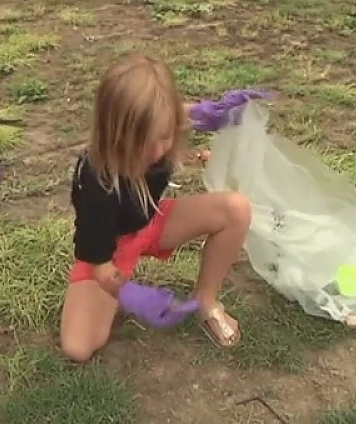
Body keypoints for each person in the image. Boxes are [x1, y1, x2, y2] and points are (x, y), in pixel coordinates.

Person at [60, 53, 269, 362]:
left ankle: (206, 300)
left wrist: (211, 113)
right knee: (78, 348)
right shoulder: (95, 184)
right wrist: (130, 294)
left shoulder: (162, 129)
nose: (159, 151)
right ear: (115, 134)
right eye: (146, 143)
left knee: (235, 209)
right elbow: (101, 267)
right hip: (111, 251)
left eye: (166, 137)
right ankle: (100, 302)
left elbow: (179, 115)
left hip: (152, 221)